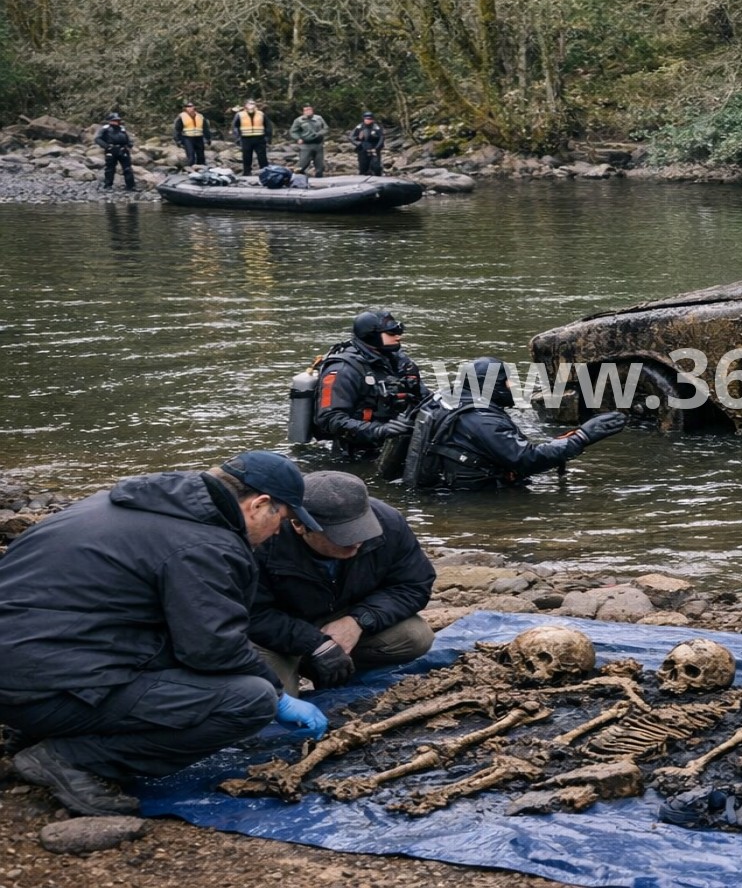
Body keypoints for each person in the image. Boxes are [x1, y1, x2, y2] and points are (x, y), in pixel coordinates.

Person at [0, 451, 330, 816]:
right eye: (282, 519)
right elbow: (213, 649)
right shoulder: (205, 544)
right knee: (250, 700)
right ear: (259, 504)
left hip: (21, 675)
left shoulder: (119, 504)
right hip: (43, 689)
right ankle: (72, 760)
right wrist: (279, 695)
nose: (279, 531)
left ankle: (35, 731)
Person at [249, 472, 436, 693]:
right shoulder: (262, 539)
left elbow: (414, 585)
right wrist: (315, 644)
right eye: (342, 535)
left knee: (416, 636)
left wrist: (359, 620)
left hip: (339, 614)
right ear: (299, 525)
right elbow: (249, 614)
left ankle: (331, 665)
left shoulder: (388, 522)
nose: (356, 541)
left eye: (361, 529)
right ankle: (301, 668)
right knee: (269, 700)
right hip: (278, 634)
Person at [414, 357, 624, 490]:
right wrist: (581, 437)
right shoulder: (481, 419)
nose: (513, 385)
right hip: (473, 498)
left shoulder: (444, 398)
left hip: (443, 486)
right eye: (507, 381)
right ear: (492, 386)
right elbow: (525, 459)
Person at [312, 308, 426, 459]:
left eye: (398, 332)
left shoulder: (398, 361)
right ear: (371, 336)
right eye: (391, 333)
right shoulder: (343, 369)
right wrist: (379, 430)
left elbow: (423, 397)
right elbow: (330, 419)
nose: (398, 337)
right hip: (354, 453)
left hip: (397, 444)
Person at [94, 113, 136, 191]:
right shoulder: (105, 129)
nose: (116, 122)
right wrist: (107, 146)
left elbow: (128, 139)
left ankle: (131, 186)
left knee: (127, 169)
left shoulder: (122, 128)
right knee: (110, 169)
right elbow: (97, 139)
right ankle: (108, 185)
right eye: (114, 120)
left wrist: (129, 145)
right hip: (111, 150)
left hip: (123, 150)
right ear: (110, 121)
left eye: (117, 120)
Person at [289, 104, 328, 178]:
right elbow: (293, 131)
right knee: (303, 163)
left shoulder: (319, 118)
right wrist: (298, 138)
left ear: (312, 110)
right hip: (305, 144)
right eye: (306, 110)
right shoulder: (299, 120)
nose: (308, 111)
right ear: (303, 112)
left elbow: (326, 128)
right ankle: (297, 178)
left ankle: (319, 177)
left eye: (309, 109)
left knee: (319, 165)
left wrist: (320, 133)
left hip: (318, 143)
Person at [233, 99, 269, 175]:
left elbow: (267, 126)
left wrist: (268, 137)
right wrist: (237, 137)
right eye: (249, 104)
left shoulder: (261, 114)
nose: (251, 106)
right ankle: (247, 171)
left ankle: (265, 171)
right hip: (246, 138)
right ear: (245, 105)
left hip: (259, 138)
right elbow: (235, 126)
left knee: (262, 156)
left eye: (253, 104)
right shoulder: (240, 115)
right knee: (246, 156)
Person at [172, 102, 212, 166]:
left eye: (191, 106)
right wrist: (178, 140)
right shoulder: (181, 117)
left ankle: (201, 169)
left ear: (194, 107)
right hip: (188, 138)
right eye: (188, 107)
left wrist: (208, 138)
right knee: (191, 156)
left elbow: (205, 128)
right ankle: (190, 169)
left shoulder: (200, 116)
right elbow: (177, 129)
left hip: (199, 138)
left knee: (201, 156)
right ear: (185, 108)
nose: (190, 108)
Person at [351, 111, 385, 175]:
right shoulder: (359, 127)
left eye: (370, 119)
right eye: (366, 119)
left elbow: (381, 138)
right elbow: (351, 137)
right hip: (363, 148)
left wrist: (377, 148)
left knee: (376, 166)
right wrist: (358, 144)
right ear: (363, 119)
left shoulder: (376, 127)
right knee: (363, 166)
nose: (368, 120)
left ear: (373, 119)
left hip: (374, 147)